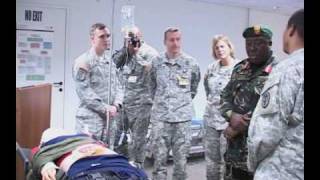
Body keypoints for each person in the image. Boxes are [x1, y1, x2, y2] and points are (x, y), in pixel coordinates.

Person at [247, 9, 304, 180]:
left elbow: (266, 133)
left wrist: (251, 162)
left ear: (291, 30)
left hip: (283, 170)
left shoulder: (288, 69)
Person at [219, 25, 276, 180]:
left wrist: (237, 127)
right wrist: (231, 116)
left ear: (269, 43)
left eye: (258, 43)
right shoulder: (239, 69)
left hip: (261, 155)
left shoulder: (279, 71)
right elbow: (224, 97)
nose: (252, 48)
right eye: (248, 44)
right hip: (235, 151)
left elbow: (274, 111)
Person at [149, 27, 201, 180]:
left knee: (181, 164)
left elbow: (193, 88)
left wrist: (180, 104)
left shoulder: (191, 63)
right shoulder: (156, 62)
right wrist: (162, 104)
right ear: (165, 42)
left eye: (178, 39)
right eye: (171, 40)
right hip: (161, 120)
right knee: (158, 164)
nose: (175, 43)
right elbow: (151, 86)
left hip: (182, 120)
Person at [112, 26, 159, 168]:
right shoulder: (124, 52)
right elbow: (114, 63)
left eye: (134, 35)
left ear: (140, 35)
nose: (131, 38)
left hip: (141, 104)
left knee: (138, 139)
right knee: (118, 136)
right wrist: (126, 49)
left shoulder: (150, 53)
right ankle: (120, 165)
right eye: (128, 36)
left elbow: (152, 70)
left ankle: (137, 168)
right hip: (122, 103)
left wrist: (136, 53)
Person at [73, 23, 123, 149]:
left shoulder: (109, 61)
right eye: (102, 36)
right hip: (91, 119)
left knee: (107, 157)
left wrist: (116, 105)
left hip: (110, 120)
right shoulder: (83, 61)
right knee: (89, 157)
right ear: (92, 39)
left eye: (108, 36)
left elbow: (119, 86)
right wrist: (105, 108)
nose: (106, 39)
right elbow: (84, 92)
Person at [26, 128, 148, 180]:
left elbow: (35, 154)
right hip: (121, 166)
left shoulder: (46, 149)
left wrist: (47, 165)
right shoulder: (87, 139)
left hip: (86, 170)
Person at [203, 35, 238, 180]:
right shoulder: (211, 68)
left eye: (222, 46)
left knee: (228, 162)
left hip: (228, 122)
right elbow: (207, 89)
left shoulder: (239, 68)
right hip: (211, 120)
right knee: (211, 161)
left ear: (230, 47)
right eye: (216, 47)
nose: (219, 50)